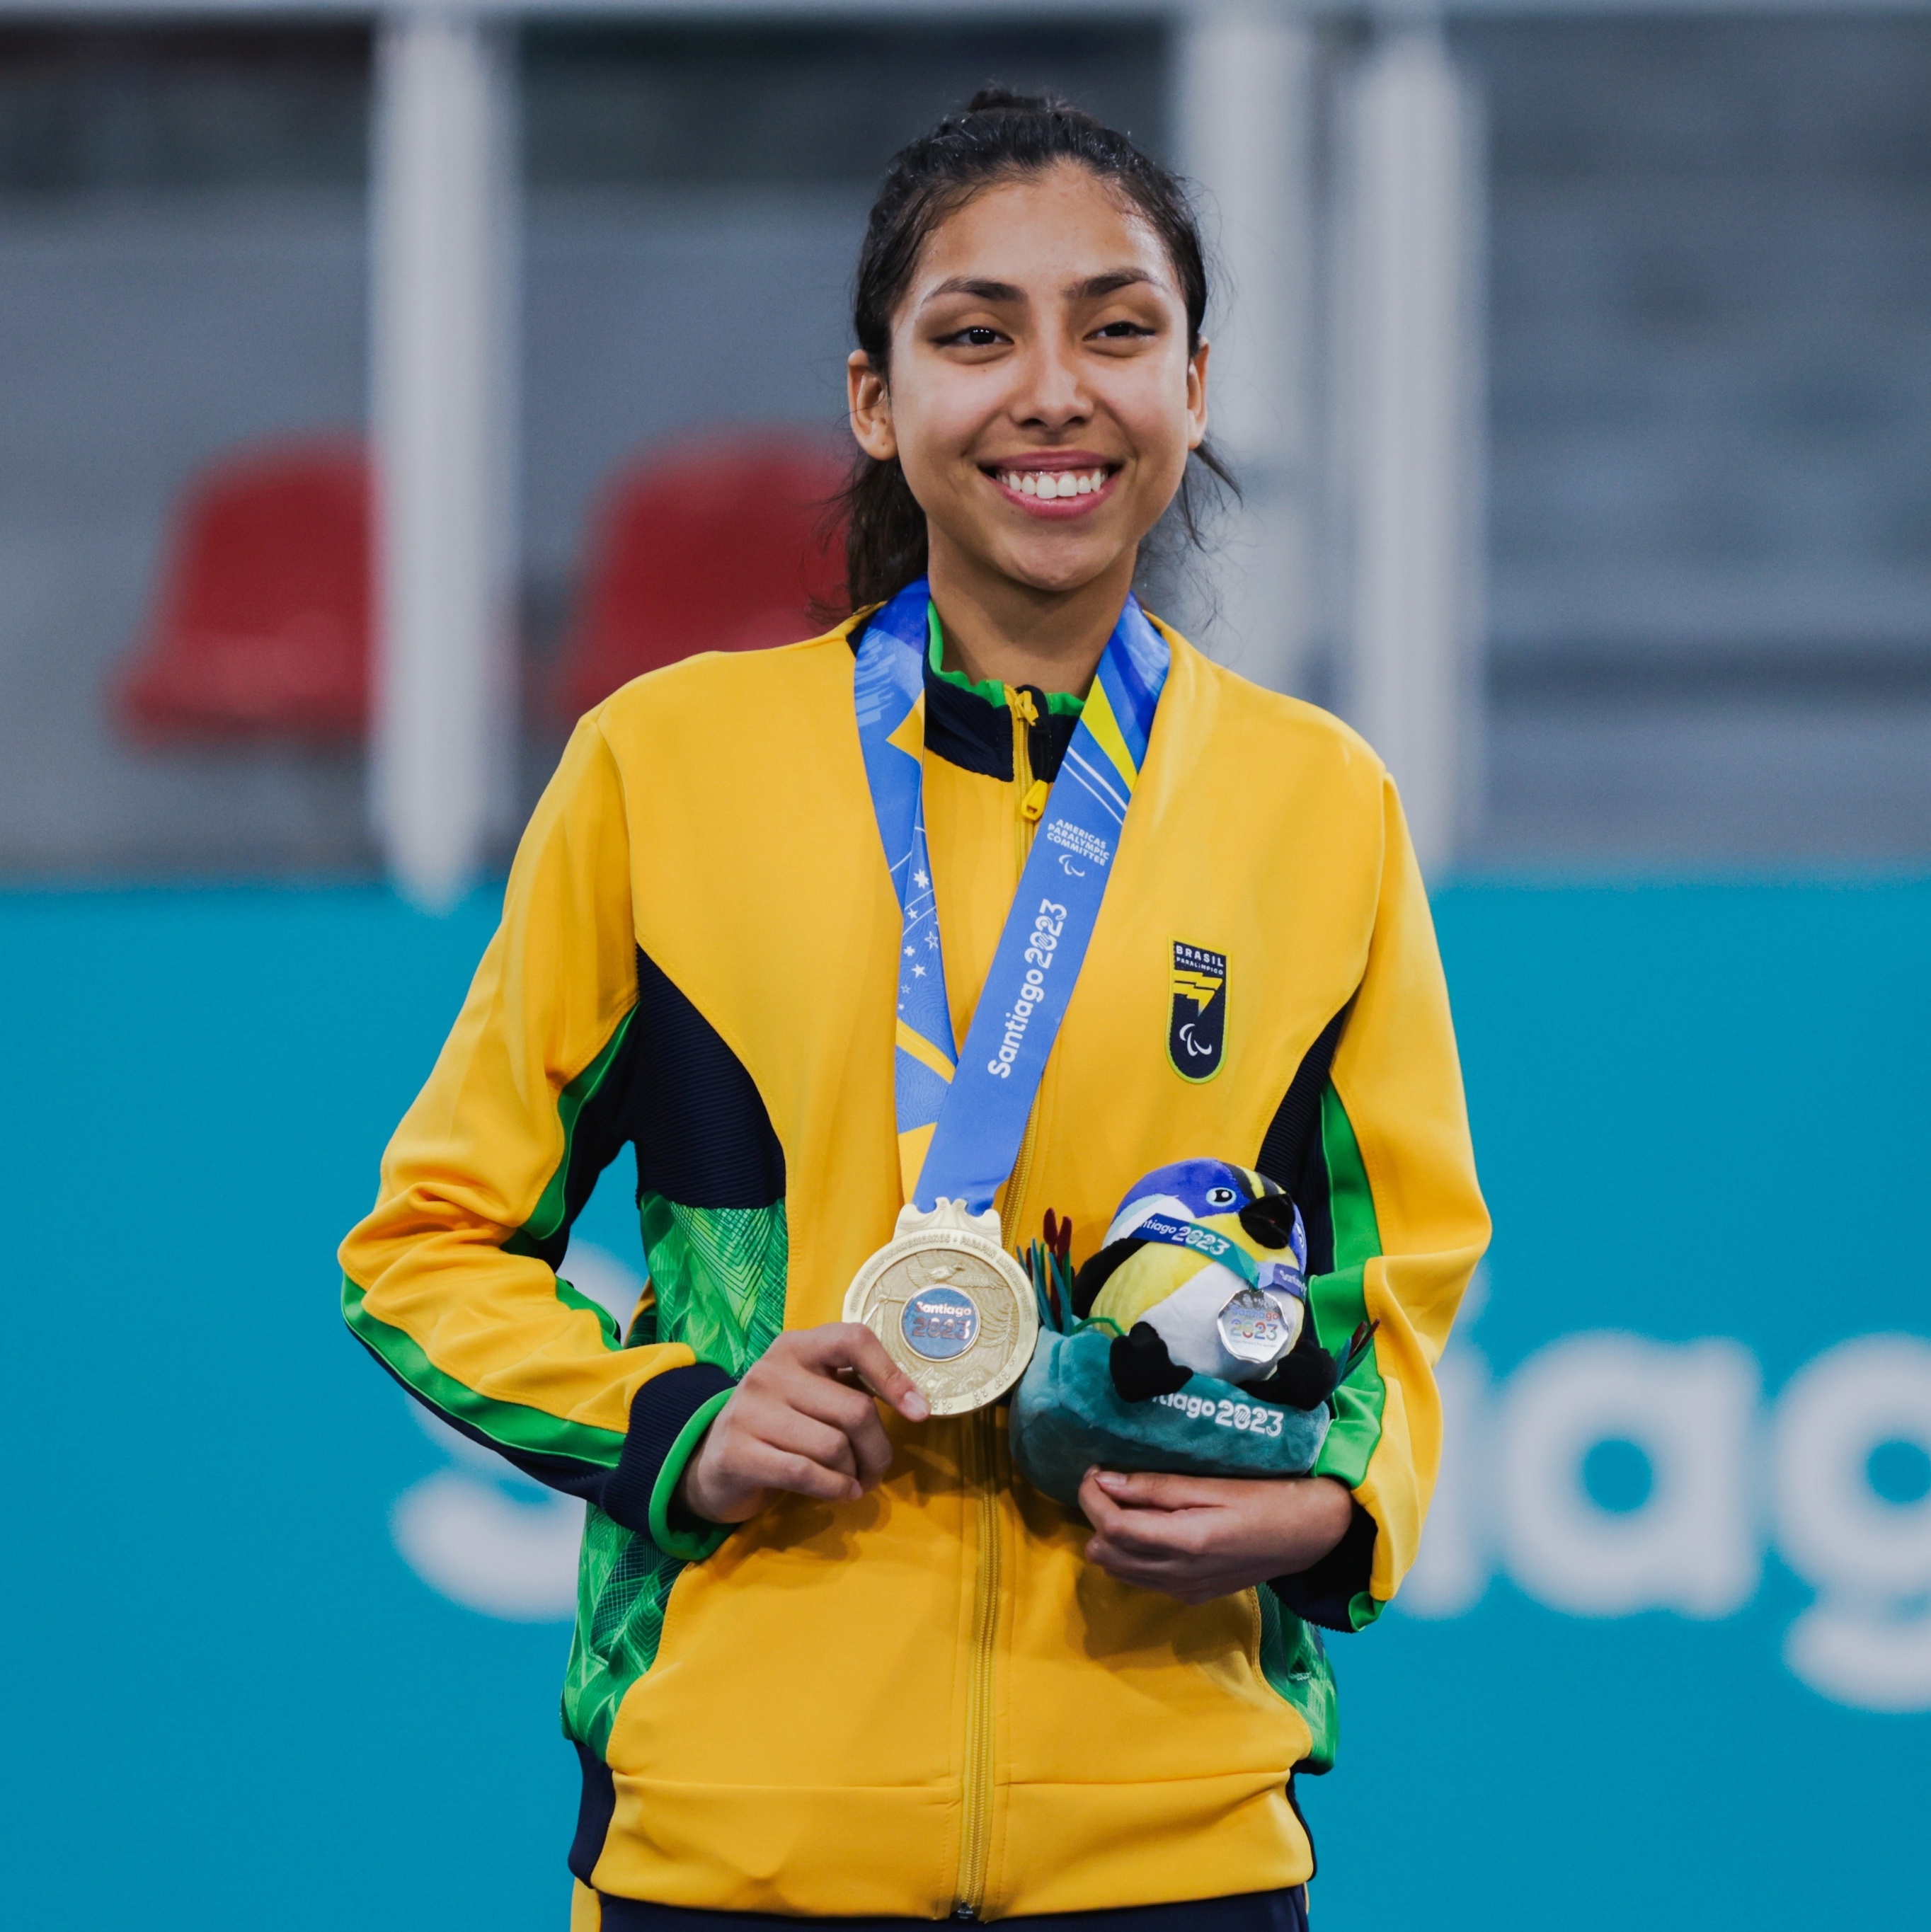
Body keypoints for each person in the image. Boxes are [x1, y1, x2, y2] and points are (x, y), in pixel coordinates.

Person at [341, 88, 1487, 1931]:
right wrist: (676, 1420)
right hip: (733, 1836)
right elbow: (427, 1245)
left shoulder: (1318, 805)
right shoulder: (665, 767)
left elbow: (1400, 1271)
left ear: (1195, 387)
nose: (1054, 390)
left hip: (1176, 1839)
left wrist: (1338, 1499)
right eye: (976, 333)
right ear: (877, 399)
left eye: (1119, 328)